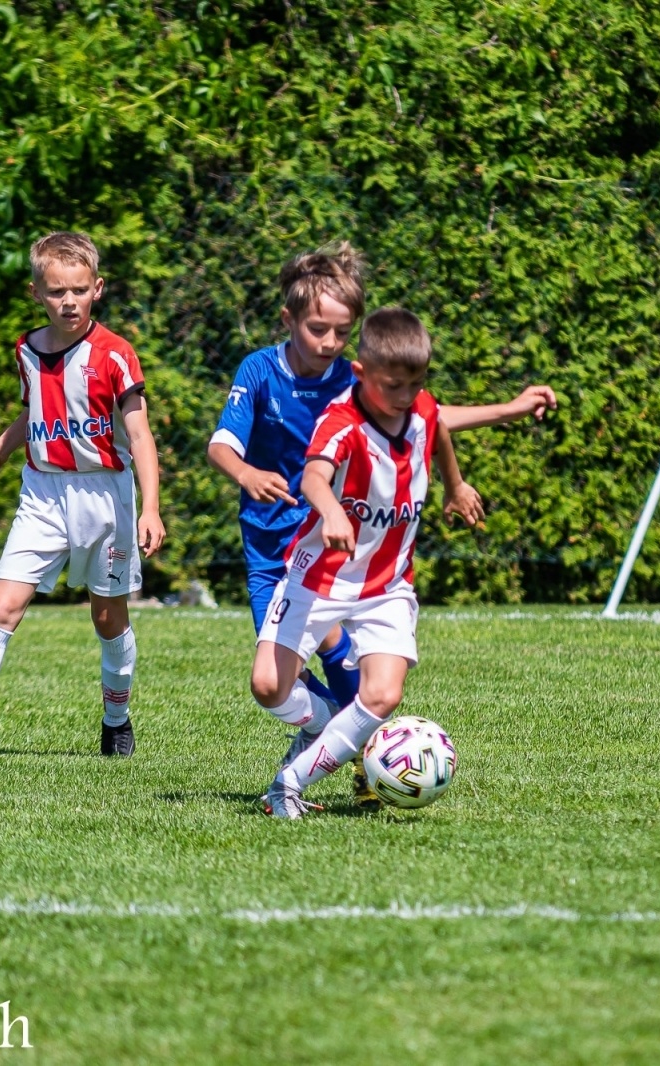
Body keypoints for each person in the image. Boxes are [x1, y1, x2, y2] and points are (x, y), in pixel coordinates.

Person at [206, 244, 555, 774]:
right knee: (280, 679)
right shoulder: (258, 370)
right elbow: (220, 445)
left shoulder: (355, 378)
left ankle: (363, 764)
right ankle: (329, 727)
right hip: (271, 544)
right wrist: (246, 474)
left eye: (342, 332)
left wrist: (509, 410)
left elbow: (428, 414)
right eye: (318, 329)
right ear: (288, 319)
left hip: (336, 544)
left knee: (340, 660)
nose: (330, 343)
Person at [0, 232, 165, 758]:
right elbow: (37, 409)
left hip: (105, 497)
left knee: (107, 617)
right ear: (36, 293)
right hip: (42, 494)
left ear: (97, 288)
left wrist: (152, 509)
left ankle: (116, 719)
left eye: (79, 290)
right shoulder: (26, 349)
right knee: (3, 606)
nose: (68, 301)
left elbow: (140, 435)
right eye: (56, 291)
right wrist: (2, 447)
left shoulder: (115, 354)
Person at [253, 308, 482, 817]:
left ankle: (290, 783)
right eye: (393, 386)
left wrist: (455, 484)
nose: (406, 396)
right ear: (360, 373)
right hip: (319, 577)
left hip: (387, 584)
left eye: (416, 384)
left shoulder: (420, 408)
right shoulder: (342, 422)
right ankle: (327, 721)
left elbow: (439, 426)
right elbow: (314, 476)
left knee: (383, 694)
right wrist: (332, 510)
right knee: (268, 687)